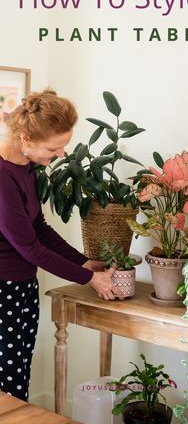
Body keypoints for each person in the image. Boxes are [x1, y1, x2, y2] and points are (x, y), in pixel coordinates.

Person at [0, 89, 121, 402]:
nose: (61, 155)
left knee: (17, 375)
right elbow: (30, 248)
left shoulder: (23, 167)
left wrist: (83, 263)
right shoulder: (2, 176)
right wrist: (90, 279)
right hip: (4, 291)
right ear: (26, 138)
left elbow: (38, 228)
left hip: (21, 286)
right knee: (7, 386)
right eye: (54, 148)